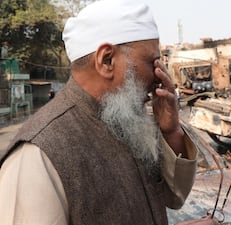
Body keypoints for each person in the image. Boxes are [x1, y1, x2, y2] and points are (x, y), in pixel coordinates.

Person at [0, 0, 198, 224]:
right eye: (151, 61)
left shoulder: (127, 122)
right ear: (107, 61)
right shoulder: (37, 156)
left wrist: (171, 132)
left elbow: (174, 198)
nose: (159, 75)